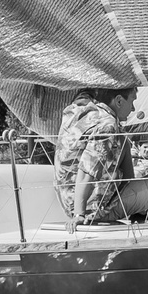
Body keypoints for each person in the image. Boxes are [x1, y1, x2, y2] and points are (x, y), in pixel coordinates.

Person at [58, 86, 134, 224]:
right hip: (91, 208)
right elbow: (87, 171)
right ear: (119, 101)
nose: (133, 108)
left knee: (122, 138)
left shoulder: (78, 108)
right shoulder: (107, 125)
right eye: (132, 101)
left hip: (68, 200)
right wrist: (79, 214)